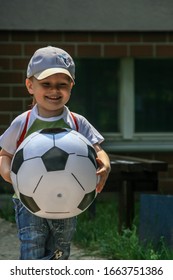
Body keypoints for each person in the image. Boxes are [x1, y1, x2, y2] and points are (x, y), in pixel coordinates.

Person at [0, 46, 111, 260]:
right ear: (30, 85)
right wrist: (8, 174)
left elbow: (98, 150)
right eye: (46, 84)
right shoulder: (23, 122)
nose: (54, 91)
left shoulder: (78, 123)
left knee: (60, 250)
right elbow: (5, 154)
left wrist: (105, 164)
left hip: (69, 200)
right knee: (32, 245)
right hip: (28, 199)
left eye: (62, 85)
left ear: (71, 87)